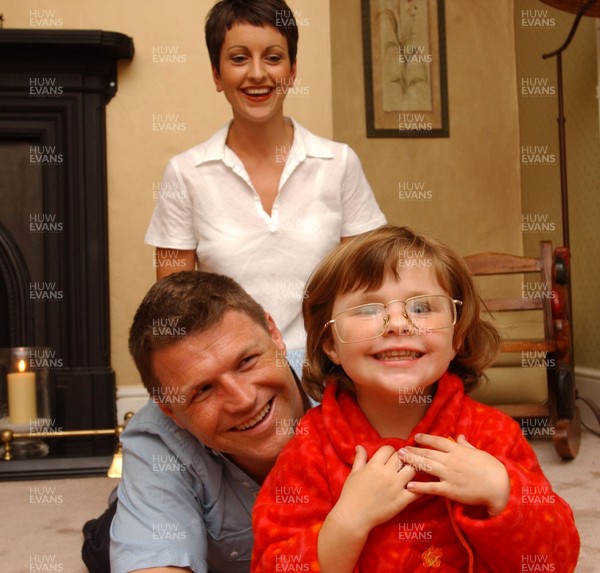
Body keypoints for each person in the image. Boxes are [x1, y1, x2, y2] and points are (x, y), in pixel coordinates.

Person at [251, 226, 580, 572]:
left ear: (457, 336)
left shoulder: (493, 436)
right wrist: (347, 523)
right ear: (330, 343)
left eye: (422, 307)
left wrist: (502, 491)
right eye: (367, 309)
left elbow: (555, 561)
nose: (398, 323)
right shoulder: (308, 450)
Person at [145, 0, 386, 373]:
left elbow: (369, 288)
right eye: (239, 58)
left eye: (273, 58)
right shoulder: (185, 173)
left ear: (292, 71)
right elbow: (174, 309)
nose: (257, 74)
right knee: (147, 432)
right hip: (230, 374)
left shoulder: (338, 164)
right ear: (216, 74)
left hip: (328, 370)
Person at [103, 271, 311, 573]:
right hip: (163, 504)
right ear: (170, 409)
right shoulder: (157, 441)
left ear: (274, 334)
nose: (243, 400)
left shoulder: (349, 379)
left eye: (246, 361)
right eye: (202, 390)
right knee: (105, 545)